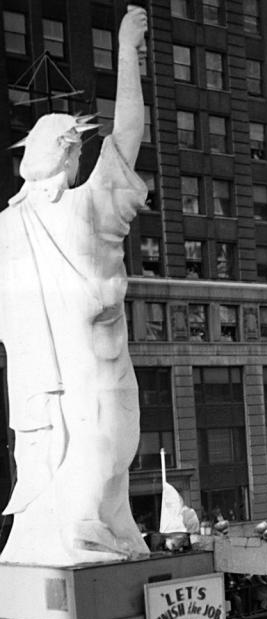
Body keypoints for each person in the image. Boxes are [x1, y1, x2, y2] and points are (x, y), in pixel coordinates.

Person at [0, 7, 152, 566]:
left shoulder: (7, 226)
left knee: (103, 440)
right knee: (117, 433)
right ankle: (88, 520)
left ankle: (94, 519)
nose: (83, 157)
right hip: (94, 358)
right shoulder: (85, 208)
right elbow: (129, 133)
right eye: (79, 150)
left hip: (42, 378)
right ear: (67, 153)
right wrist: (126, 52)